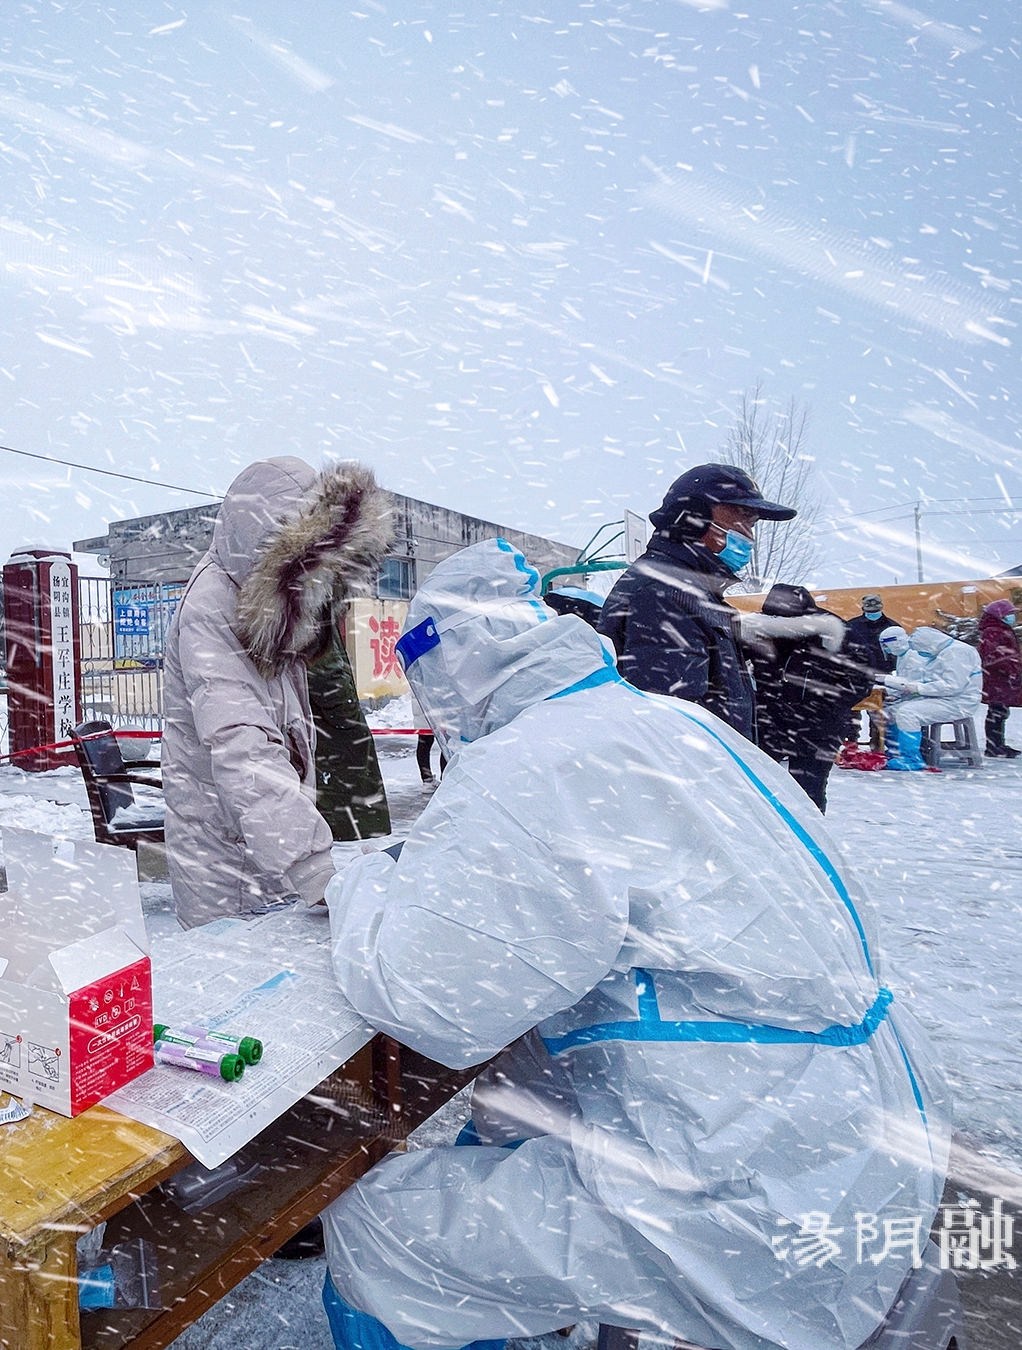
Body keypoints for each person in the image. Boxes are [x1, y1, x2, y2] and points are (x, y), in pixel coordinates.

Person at [319, 540, 948, 1350]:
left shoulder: (529, 762)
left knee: (380, 1230)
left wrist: (360, 885)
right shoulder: (669, 720)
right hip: (860, 1138)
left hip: (749, 1198)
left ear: (449, 666)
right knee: (514, 1122)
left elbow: (432, 1000)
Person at [161, 458, 390, 927]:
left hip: (260, 841)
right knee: (232, 985)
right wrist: (313, 868)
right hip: (227, 855)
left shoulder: (268, 601)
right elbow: (242, 746)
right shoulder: (213, 610)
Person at [599, 464, 796, 739]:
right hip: (700, 777)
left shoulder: (691, 591)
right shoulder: (665, 595)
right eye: (743, 521)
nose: (749, 537)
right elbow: (670, 732)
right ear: (694, 517)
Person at [743, 584, 869, 810]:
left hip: (814, 726)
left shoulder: (834, 635)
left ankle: (805, 840)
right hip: (773, 722)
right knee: (764, 786)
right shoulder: (760, 632)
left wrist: (824, 705)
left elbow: (860, 680)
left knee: (807, 791)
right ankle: (782, 837)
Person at [308, 589, 391, 840]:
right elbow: (329, 679)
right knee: (348, 834)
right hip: (334, 744)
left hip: (325, 738)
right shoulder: (314, 612)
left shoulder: (307, 608)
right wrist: (349, 712)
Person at [878, 625, 982, 772]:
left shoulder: (957, 653)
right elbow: (932, 679)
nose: (919, 654)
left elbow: (953, 686)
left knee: (907, 713)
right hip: (943, 698)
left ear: (928, 644)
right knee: (895, 711)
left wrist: (919, 688)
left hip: (958, 702)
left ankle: (911, 759)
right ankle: (901, 752)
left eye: (920, 650)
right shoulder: (943, 653)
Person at [841, 592, 899, 752]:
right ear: (863, 608)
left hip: (882, 675)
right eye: (870, 610)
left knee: (878, 714)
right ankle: (850, 744)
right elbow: (844, 649)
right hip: (856, 674)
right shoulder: (853, 626)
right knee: (851, 712)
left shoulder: (891, 627)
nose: (873, 614)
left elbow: (898, 652)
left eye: (875, 610)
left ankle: (876, 747)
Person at [977, 600, 1022, 758]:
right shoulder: (995, 631)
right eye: (1009, 614)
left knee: (999, 712)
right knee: (997, 713)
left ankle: (997, 744)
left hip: (1000, 679)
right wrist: (1009, 669)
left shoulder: (998, 630)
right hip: (999, 679)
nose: (1012, 617)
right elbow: (993, 656)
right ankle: (994, 746)